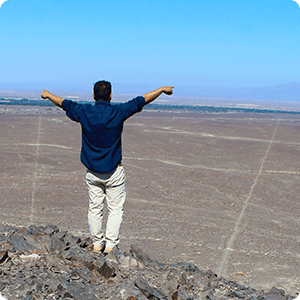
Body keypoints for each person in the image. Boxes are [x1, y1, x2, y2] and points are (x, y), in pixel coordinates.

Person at [41, 81, 174, 254]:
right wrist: (161, 90)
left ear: (93, 95)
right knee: (115, 209)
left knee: (95, 208)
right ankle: (111, 247)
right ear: (111, 96)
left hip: (93, 172)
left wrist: (48, 94)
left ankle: (97, 245)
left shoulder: (85, 112)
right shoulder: (118, 112)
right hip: (113, 171)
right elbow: (141, 100)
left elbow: (64, 104)